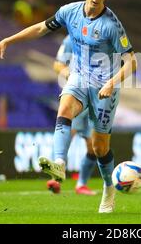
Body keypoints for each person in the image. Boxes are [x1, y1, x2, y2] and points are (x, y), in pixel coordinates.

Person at [0, 0, 137, 213]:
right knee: (65, 107)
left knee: (100, 147)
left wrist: (112, 82)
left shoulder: (112, 25)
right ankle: (59, 162)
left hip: (104, 86)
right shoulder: (69, 12)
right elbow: (40, 28)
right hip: (79, 78)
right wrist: (8, 40)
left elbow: (132, 61)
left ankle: (108, 189)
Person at [46, 35, 97, 196]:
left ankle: (81, 184)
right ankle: (56, 177)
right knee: (67, 134)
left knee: (94, 147)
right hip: (77, 97)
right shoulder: (71, 38)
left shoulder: (105, 35)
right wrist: (67, 72)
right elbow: (57, 64)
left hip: (96, 99)